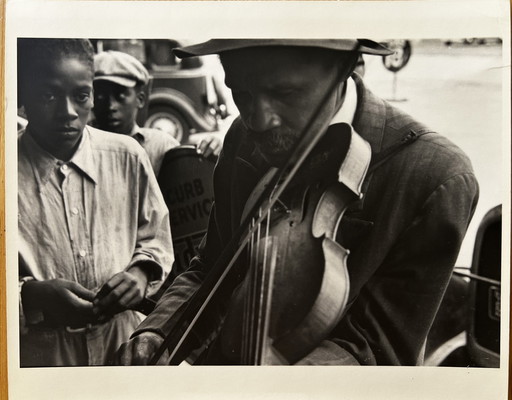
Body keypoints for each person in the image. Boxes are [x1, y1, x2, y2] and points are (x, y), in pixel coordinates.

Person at [117, 39, 479, 366]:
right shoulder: (243, 135)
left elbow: (374, 349)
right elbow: (211, 267)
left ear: (344, 67)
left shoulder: (434, 176)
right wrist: (157, 332)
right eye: (240, 93)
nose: (258, 120)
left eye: (286, 93)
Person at [17, 38, 174, 366]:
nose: (68, 113)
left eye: (81, 96)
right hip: (40, 359)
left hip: (122, 347)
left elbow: (154, 240)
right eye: (48, 96)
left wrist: (141, 275)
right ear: (22, 98)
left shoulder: (127, 156)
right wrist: (29, 296)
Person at [92, 50, 222, 176]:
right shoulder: (83, 147)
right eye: (100, 96)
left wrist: (212, 154)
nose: (111, 106)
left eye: (120, 96)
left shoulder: (161, 146)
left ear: (140, 99)